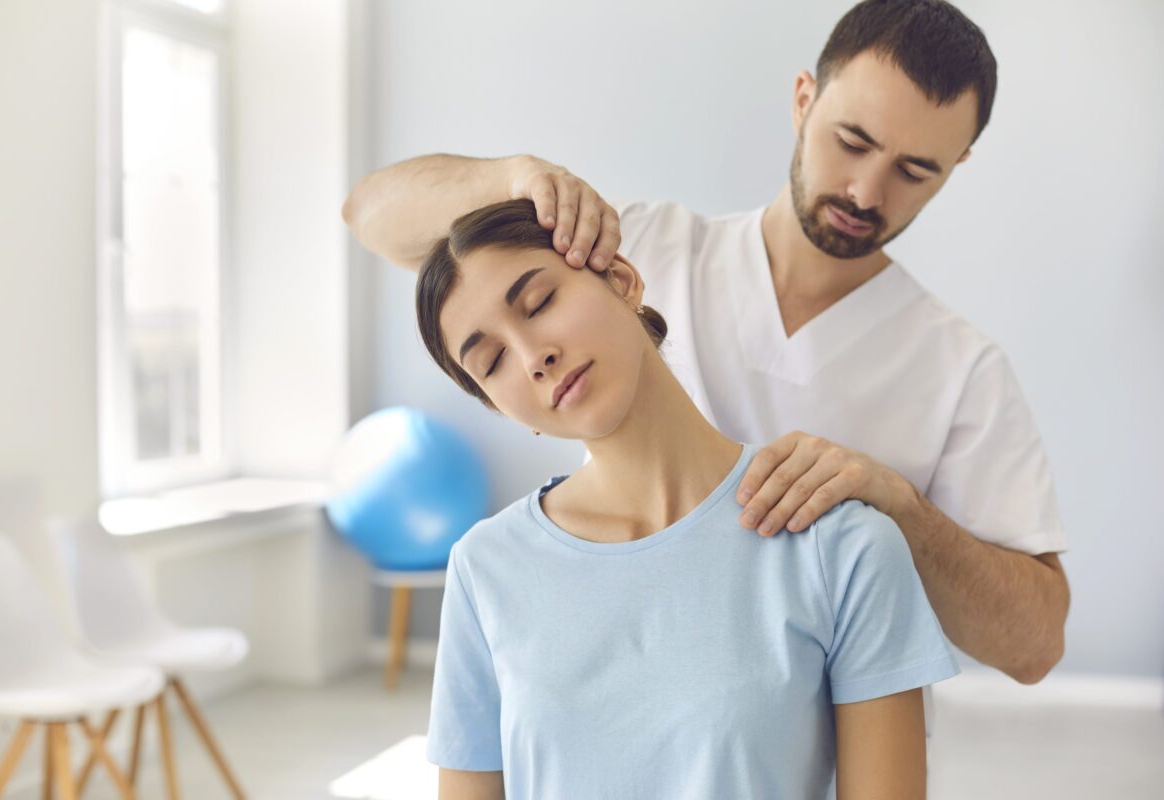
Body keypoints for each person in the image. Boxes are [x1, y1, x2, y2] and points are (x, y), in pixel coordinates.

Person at [342, 0, 1070, 695]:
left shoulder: (961, 369)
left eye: (915, 171)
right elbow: (372, 214)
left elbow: (1035, 646)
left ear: (958, 165)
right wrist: (514, 178)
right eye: (852, 141)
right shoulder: (638, 247)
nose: (865, 191)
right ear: (803, 99)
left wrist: (899, 509)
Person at [418, 198, 958, 799]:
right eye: (492, 363)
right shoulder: (484, 569)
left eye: (541, 303)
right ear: (501, 408)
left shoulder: (841, 547)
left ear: (621, 280)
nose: (532, 358)